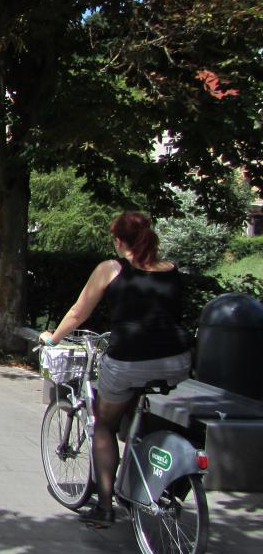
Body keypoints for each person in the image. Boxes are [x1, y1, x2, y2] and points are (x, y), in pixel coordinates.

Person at [39, 211, 192, 528]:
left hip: (129, 360)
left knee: (105, 424)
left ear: (120, 241)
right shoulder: (172, 270)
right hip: (178, 361)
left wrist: (52, 338)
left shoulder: (111, 269)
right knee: (137, 403)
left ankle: (105, 507)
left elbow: (79, 313)